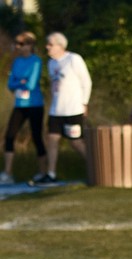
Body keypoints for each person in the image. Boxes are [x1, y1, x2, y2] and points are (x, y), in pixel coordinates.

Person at [40, 32, 91, 185]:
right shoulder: (51, 63)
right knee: (52, 139)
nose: (47, 47)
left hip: (73, 109)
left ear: (60, 45)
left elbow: (86, 82)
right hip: (56, 110)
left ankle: (95, 166)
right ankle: (51, 173)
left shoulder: (73, 59)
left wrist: (84, 102)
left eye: (50, 44)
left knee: (75, 142)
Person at [1, 31, 47, 185]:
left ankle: (43, 172)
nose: (18, 46)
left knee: (37, 137)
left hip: (35, 105)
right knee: (9, 136)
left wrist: (20, 82)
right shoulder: (17, 61)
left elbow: (31, 84)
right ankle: (7, 173)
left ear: (29, 45)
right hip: (20, 104)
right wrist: (20, 82)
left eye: (21, 44)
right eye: (17, 43)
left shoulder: (36, 61)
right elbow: (10, 84)